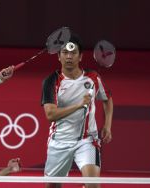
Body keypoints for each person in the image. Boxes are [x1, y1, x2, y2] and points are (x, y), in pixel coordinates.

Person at [41, 33, 113, 188]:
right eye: (65, 53)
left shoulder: (93, 77)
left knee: (93, 186)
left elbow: (107, 99)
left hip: (87, 140)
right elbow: (50, 114)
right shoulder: (51, 81)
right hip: (59, 140)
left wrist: (107, 125)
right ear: (58, 56)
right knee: (52, 187)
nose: (69, 57)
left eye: (73, 53)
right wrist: (79, 105)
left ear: (80, 57)